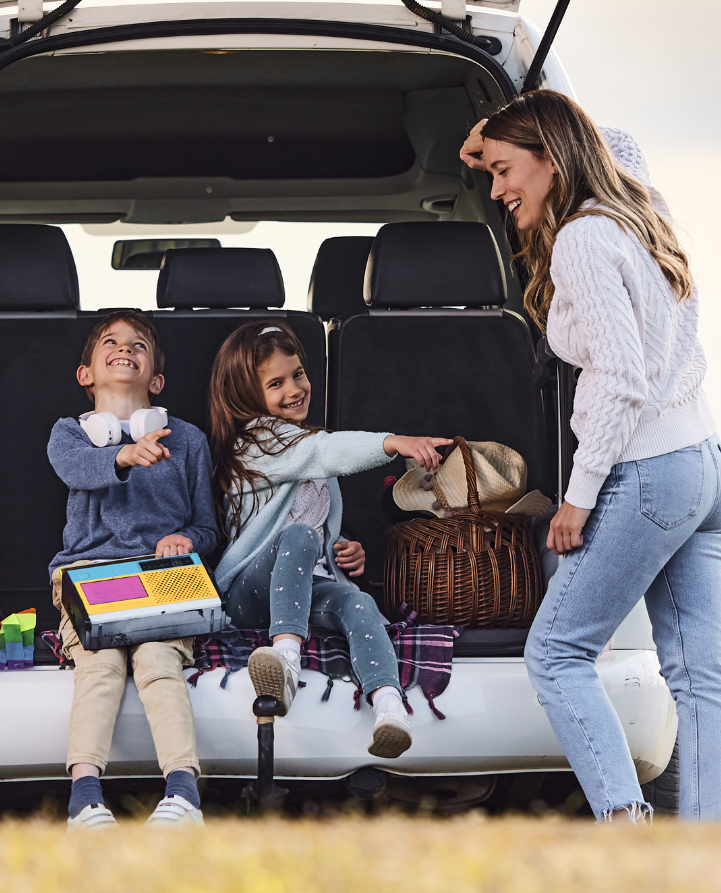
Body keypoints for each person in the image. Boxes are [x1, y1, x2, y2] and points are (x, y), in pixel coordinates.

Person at [461, 90, 721, 822]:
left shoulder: (584, 238)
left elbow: (619, 378)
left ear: (552, 160)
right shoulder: (635, 208)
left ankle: (623, 823)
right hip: (703, 465)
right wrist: (494, 136)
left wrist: (580, 496)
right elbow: (611, 143)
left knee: (555, 653)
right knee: (702, 675)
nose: (496, 190)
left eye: (503, 170)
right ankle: (719, 849)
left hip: (646, 473)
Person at [204, 322, 453, 759]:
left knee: (359, 603)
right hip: (250, 592)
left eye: (298, 374)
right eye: (276, 383)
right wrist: (394, 442)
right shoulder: (254, 443)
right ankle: (285, 661)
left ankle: (389, 706)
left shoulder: (303, 444)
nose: (295, 388)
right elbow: (322, 454)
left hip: (302, 586)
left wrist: (344, 549)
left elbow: (318, 522)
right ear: (247, 395)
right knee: (297, 536)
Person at [47, 311, 220, 830]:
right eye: (111, 342)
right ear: (86, 374)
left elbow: (208, 529)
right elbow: (74, 469)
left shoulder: (186, 440)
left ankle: (183, 793)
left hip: (162, 575)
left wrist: (186, 539)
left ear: (157, 380)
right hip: (88, 573)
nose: (125, 348)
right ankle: (84, 798)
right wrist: (123, 455)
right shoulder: (69, 435)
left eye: (138, 345)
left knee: (158, 662)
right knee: (98, 667)